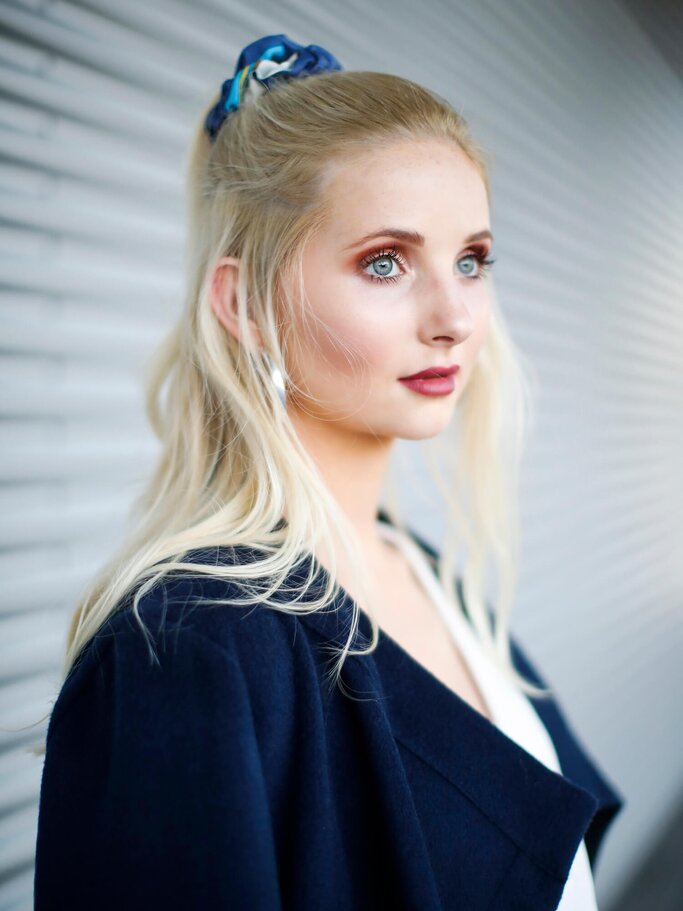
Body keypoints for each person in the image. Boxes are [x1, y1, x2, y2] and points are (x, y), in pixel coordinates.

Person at [33, 33, 624, 910]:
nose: (455, 316)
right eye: (384, 261)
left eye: (471, 258)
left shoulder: (417, 566)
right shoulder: (185, 647)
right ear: (247, 304)